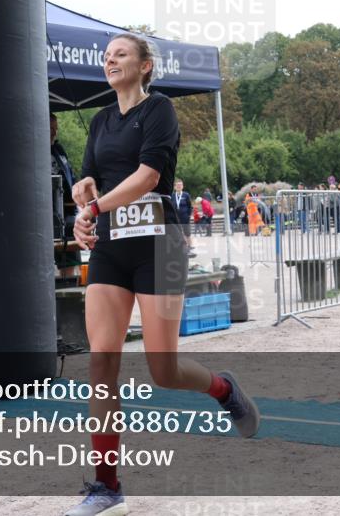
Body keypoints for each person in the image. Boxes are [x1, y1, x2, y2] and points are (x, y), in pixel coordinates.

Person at [66, 33, 259, 516]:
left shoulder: (160, 111)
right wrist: (81, 198)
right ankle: (106, 487)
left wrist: (95, 206)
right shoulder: (101, 120)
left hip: (159, 245)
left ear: (145, 66)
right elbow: (90, 179)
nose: (110, 59)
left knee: (163, 369)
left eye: (121, 54)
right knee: (101, 362)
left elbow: (148, 178)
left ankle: (223, 388)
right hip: (112, 248)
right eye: (106, 55)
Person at [51, 112, 78, 240]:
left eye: (56, 129)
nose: (54, 133)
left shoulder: (59, 149)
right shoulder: (36, 151)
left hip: (70, 210)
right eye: (51, 129)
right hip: (52, 214)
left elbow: (70, 174)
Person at [169, 179, 195, 257]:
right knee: (178, 233)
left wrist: (189, 215)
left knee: (187, 233)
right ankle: (182, 248)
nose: (179, 186)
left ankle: (190, 247)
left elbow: (190, 206)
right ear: (175, 187)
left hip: (185, 217)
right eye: (177, 185)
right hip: (176, 218)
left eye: (180, 185)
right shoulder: (172, 195)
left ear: (182, 186)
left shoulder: (186, 195)